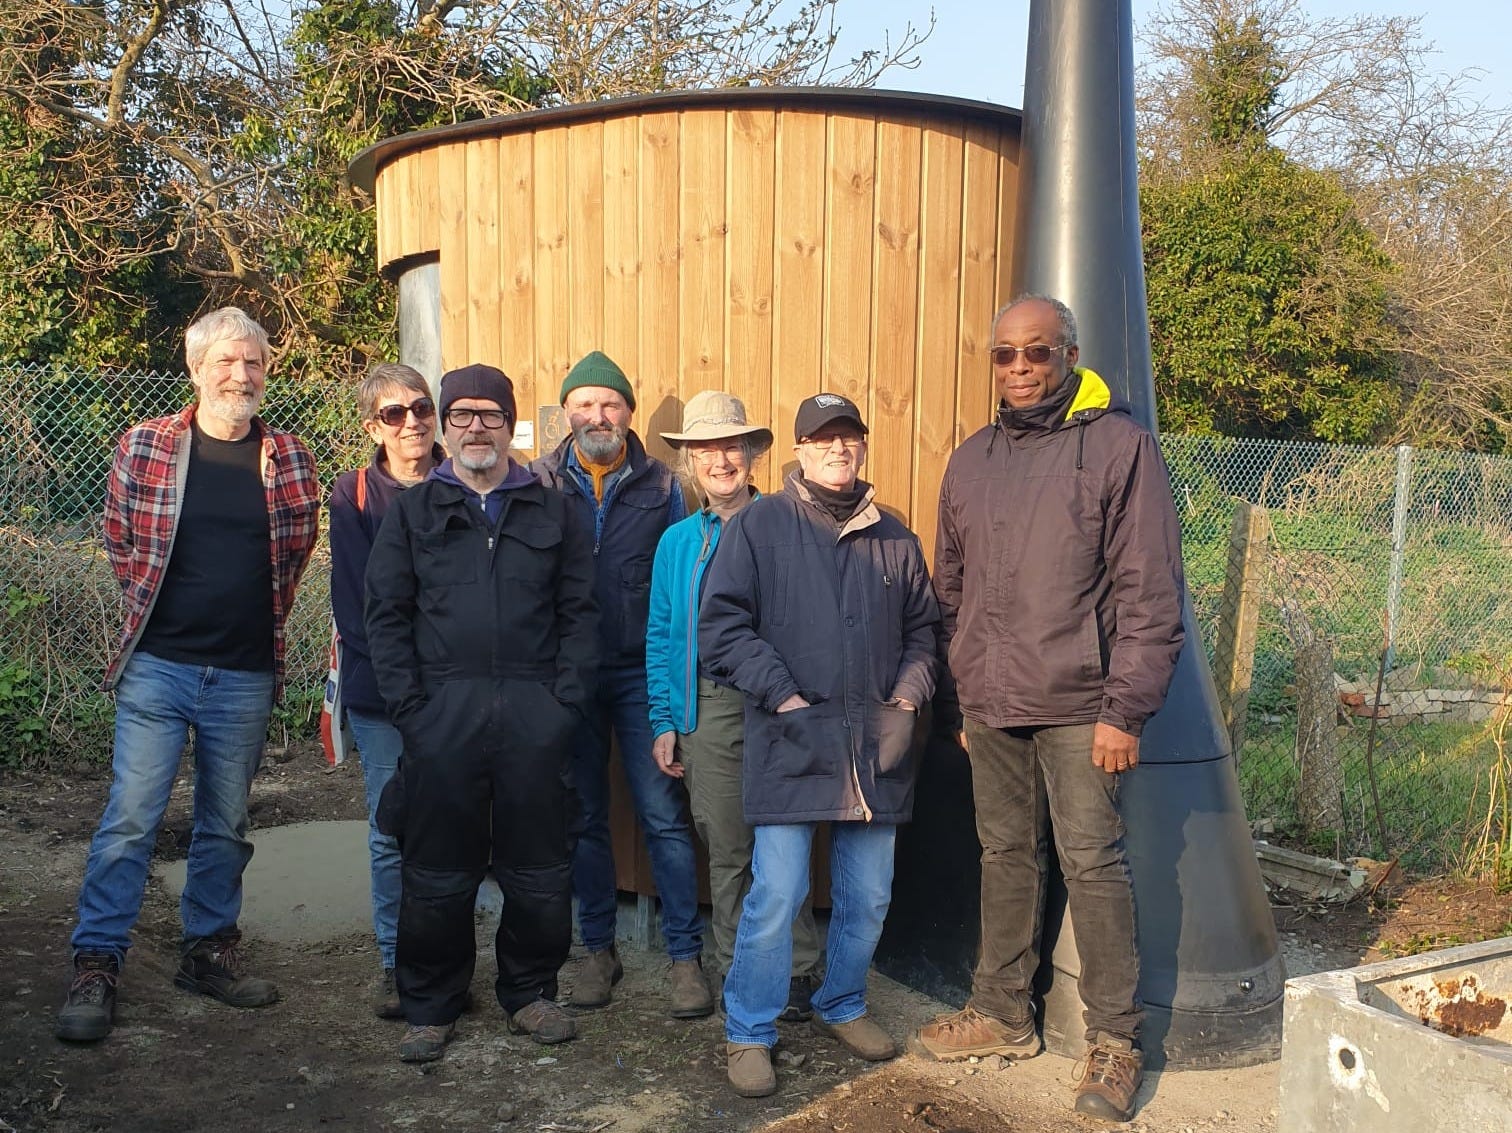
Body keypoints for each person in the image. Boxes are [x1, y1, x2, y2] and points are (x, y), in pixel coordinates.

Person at [913, 295, 1186, 1124]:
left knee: (1094, 864)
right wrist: (960, 698)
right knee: (1005, 854)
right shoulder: (972, 460)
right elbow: (950, 590)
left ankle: (1115, 1040)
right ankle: (1002, 1012)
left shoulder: (1118, 448)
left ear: (1070, 354)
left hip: (1082, 704)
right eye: (1005, 354)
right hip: (993, 704)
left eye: (1037, 351)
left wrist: (1125, 709)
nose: (1021, 367)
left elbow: (1150, 591)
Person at [56, 307, 321, 1043]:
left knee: (225, 823)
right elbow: (119, 538)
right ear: (197, 368)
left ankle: (208, 953)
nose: (242, 374)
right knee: (132, 817)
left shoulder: (290, 457)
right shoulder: (145, 445)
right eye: (227, 361)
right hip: (159, 668)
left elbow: (297, 550)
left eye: (254, 361)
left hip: (244, 672)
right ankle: (96, 962)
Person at [699, 392, 940, 1098]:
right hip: (791, 739)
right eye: (823, 437)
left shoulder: (895, 537)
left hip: (877, 746)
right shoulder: (759, 526)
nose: (838, 447)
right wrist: (784, 695)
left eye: (849, 436)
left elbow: (925, 631)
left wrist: (907, 696)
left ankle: (842, 1002)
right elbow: (722, 629)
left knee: (869, 896)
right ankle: (749, 1029)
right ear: (799, 449)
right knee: (778, 892)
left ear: (862, 445)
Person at [364, 363, 597, 1064]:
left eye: (490, 415)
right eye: (461, 414)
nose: (475, 427)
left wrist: (562, 708)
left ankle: (529, 992)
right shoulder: (413, 512)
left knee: (539, 872)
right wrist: (414, 711)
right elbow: (385, 617)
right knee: (436, 872)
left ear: (508, 424)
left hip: (534, 716)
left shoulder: (554, 510)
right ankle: (431, 1004)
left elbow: (581, 616)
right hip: (443, 716)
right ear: (445, 424)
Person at [531, 352, 712, 1019]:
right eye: (584, 403)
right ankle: (598, 949)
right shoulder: (540, 481)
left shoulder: (663, 486)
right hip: (569, 674)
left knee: (663, 815)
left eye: (610, 403)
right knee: (583, 815)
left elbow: (680, 589)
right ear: (567, 413)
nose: (598, 415)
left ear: (629, 413)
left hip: (641, 674)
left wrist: (675, 682)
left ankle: (685, 956)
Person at [646, 391, 821, 1019]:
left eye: (731, 447)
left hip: (780, 700)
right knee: (727, 850)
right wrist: (664, 719)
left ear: (751, 455)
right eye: (705, 451)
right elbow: (661, 634)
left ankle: (797, 971)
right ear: (689, 463)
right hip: (709, 706)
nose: (720, 461)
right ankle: (738, 968)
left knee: (786, 845)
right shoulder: (677, 543)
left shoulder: (789, 525)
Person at [328, 362, 444, 1019]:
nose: (411, 424)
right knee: (390, 827)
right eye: (394, 414)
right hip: (384, 693)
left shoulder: (463, 483)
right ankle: (397, 964)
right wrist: (407, 689)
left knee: (451, 825)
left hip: (456, 690)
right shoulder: (354, 496)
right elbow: (357, 605)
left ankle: (444, 961)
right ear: (374, 426)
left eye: (421, 408)